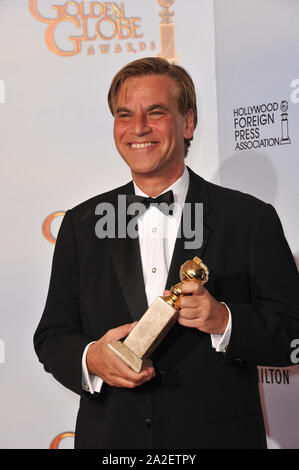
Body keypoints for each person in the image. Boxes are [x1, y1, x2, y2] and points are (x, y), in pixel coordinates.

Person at [34, 57, 299, 449]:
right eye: (125, 115)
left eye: (155, 112)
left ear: (187, 122)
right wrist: (92, 359)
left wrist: (225, 321)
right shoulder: (81, 224)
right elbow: (53, 335)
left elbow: (292, 334)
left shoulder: (249, 219)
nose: (138, 128)